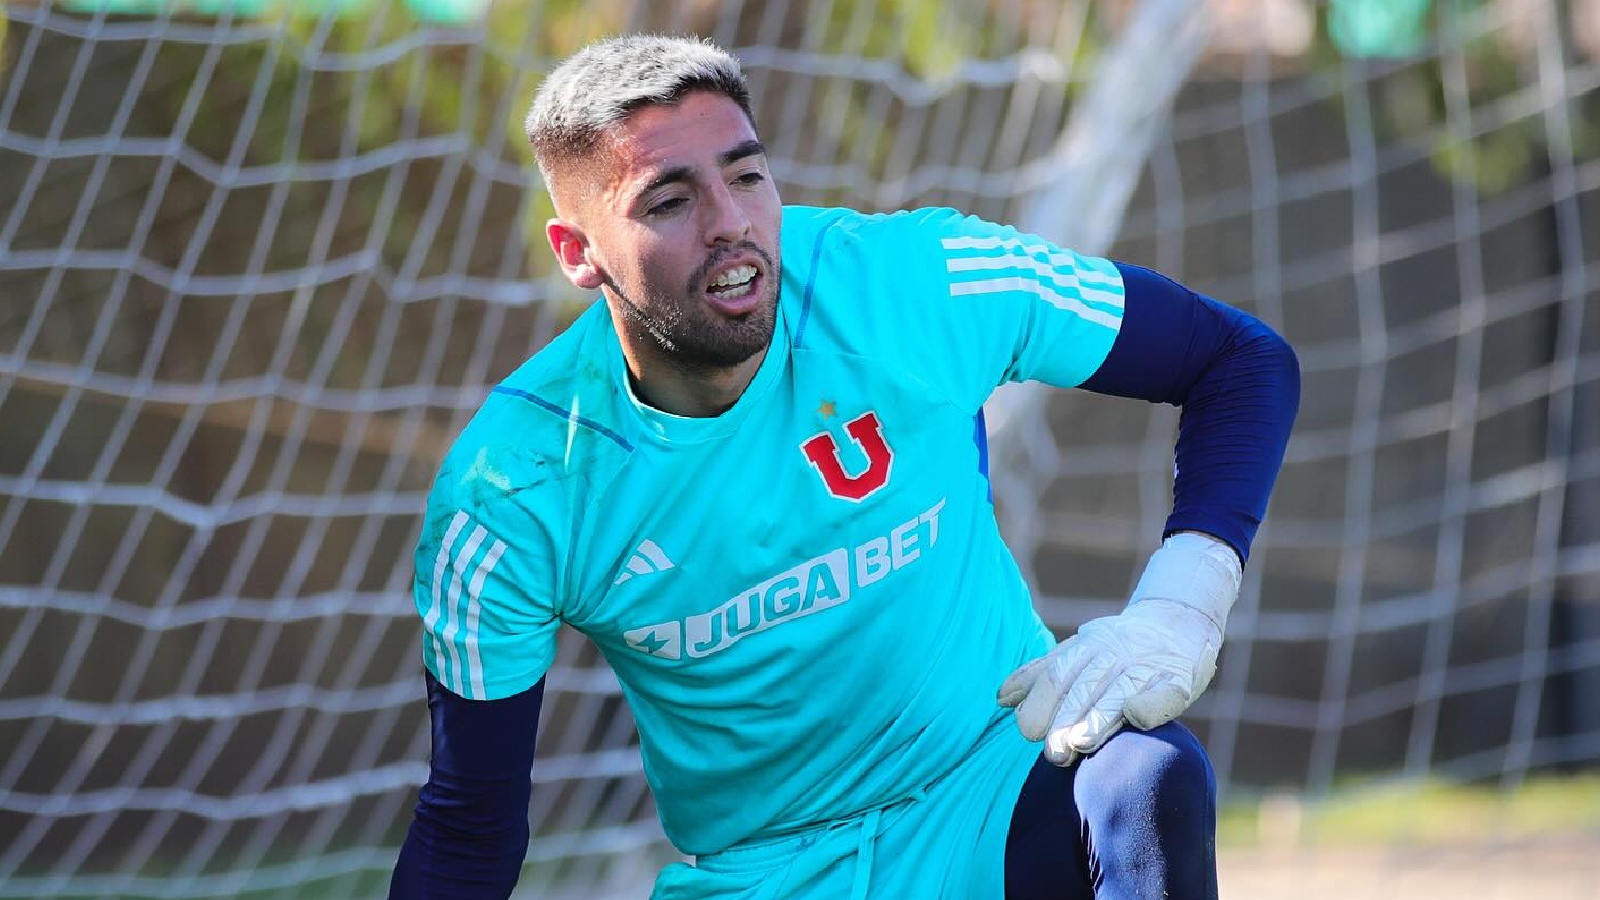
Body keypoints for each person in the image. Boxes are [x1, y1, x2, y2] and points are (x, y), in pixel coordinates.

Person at [389, 34, 1299, 900]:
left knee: (1146, 774)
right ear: (577, 254)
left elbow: (1241, 360)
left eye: (746, 175)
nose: (730, 223)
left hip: (992, 789)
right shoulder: (510, 491)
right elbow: (472, 826)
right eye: (669, 201)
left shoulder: (913, 282)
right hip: (758, 867)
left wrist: (1183, 603)